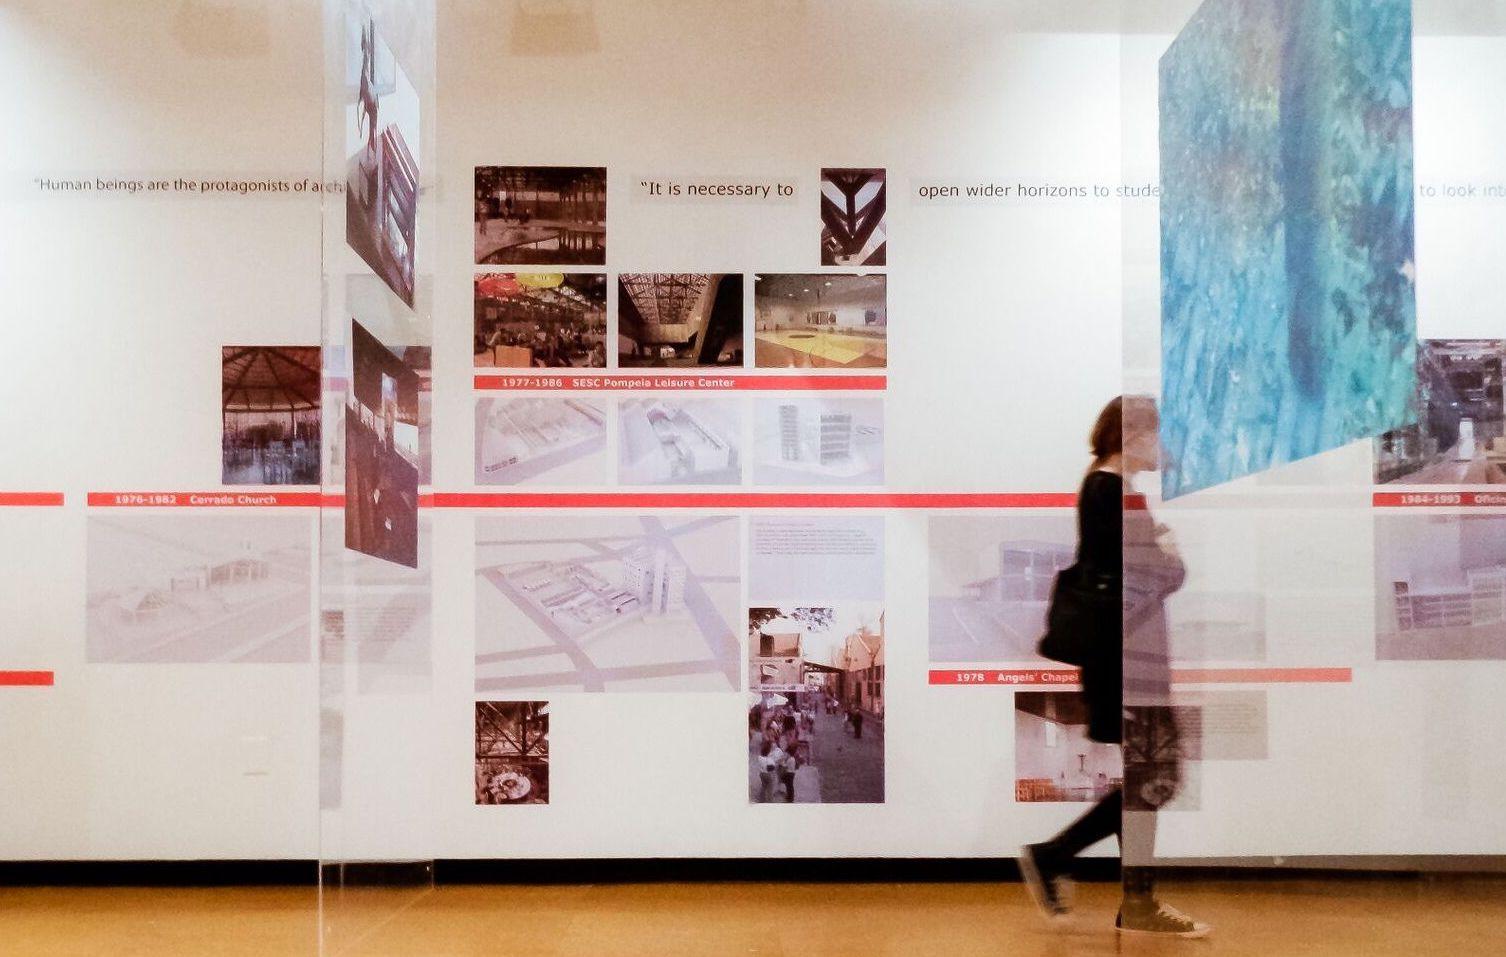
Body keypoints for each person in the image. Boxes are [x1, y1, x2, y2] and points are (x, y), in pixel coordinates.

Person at [1018, 395, 1210, 939]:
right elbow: (1158, 576)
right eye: (1160, 435)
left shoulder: (1106, 489)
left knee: (1148, 779)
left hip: (1126, 660)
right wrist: (1171, 555)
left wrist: (1162, 554)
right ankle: (1062, 859)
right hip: (1130, 662)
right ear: (1136, 437)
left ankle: (1132, 897)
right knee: (1156, 778)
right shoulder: (1114, 494)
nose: (1166, 447)